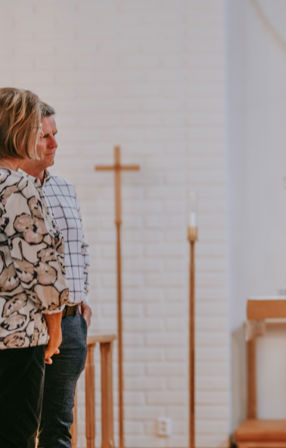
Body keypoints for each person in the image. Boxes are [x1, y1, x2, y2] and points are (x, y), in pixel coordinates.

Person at [0, 87, 69, 448]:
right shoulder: (19, 186)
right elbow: (40, 264)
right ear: (19, 131)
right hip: (17, 336)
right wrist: (55, 327)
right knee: (18, 436)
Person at [21, 102, 91, 448]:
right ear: (20, 138)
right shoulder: (11, 191)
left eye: (55, 134)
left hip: (71, 323)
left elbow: (79, 248)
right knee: (20, 427)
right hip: (28, 328)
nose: (54, 144)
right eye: (44, 136)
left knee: (59, 428)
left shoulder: (64, 188)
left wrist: (81, 301)